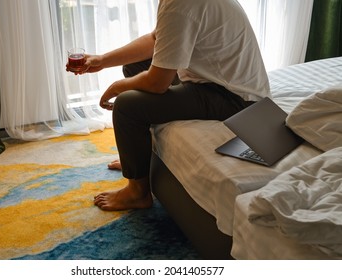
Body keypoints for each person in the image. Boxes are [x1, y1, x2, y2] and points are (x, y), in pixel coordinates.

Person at [66, 0, 271, 211]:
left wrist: (117, 87)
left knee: (127, 106)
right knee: (135, 67)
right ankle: (138, 153)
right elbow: (156, 40)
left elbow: (157, 83)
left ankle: (138, 193)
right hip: (217, 79)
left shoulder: (180, 3)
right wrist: (102, 60)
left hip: (236, 98)